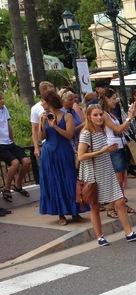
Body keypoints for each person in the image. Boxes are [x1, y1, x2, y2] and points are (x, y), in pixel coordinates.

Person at [78, 105, 136, 246]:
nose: (99, 118)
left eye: (101, 114)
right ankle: (100, 236)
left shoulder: (102, 131)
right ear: (89, 117)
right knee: (95, 206)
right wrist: (101, 151)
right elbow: (81, 156)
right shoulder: (86, 133)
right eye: (95, 115)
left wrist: (108, 150)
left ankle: (129, 233)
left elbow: (102, 150)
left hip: (107, 171)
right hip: (93, 173)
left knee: (120, 201)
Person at [38, 90, 87, 226]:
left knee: (69, 179)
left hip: (63, 150)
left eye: (42, 101)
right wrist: (43, 123)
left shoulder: (67, 116)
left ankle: (75, 212)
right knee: (54, 181)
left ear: (49, 102)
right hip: (49, 152)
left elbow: (69, 135)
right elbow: (41, 137)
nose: (41, 104)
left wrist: (55, 127)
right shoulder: (43, 116)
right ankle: (61, 214)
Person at [99, 88, 136, 217]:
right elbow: (118, 129)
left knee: (120, 179)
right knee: (117, 179)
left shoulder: (111, 113)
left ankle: (120, 204)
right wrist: (129, 118)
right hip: (113, 147)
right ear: (106, 99)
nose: (116, 101)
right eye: (113, 98)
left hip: (119, 146)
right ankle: (111, 207)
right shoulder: (104, 114)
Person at [0, 91, 32, 202]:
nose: (2, 101)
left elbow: (8, 126)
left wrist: (12, 140)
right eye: (0, 99)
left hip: (9, 142)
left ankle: (18, 184)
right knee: (15, 163)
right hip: (0, 144)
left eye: (3, 98)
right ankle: (6, 188)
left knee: (27, 161)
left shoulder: (4, 109)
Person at [31, 81, 55, 159]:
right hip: (47, 141)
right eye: (49, 92)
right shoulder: (36, 108)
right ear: (42, 92)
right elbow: (34, 129)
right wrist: (36, 147)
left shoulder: (57, 104)